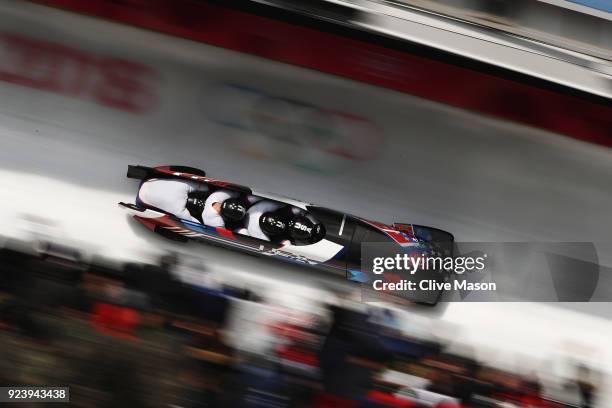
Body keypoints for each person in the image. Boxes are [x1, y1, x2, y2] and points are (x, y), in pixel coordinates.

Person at [138, 178, 209, 223]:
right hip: (142, 198)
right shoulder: (181, 211)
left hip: (149, 182)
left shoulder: (181, 211)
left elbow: (196, 223)